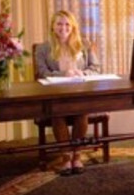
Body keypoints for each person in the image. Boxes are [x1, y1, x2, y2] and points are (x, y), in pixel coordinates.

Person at [35, 10, 101, 175]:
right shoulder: (42, 48)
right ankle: (66, 158)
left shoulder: (84, 45)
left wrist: (83, 73)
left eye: (67, 24)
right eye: (59, 24)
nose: (63, 27)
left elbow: (96, 68)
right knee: (58, 114)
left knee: (82, 113)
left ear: (72, 27)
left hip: (79, 93)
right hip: (55, 94)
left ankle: (76, 156)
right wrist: (63, 75)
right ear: (53, 26)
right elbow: (42, 72)